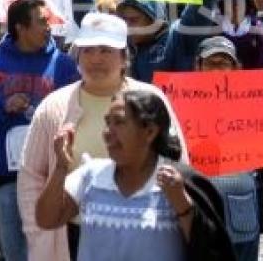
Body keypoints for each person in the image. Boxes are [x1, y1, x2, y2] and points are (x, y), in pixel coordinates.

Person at [18, 12, 185, 260]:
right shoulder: (53, 107)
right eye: (88, 50)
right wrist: (39, 237)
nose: (96, 58)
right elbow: (31, 176)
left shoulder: (152, 100)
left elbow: (179, 163)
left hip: (145, 234)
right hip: (72, 235)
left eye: (106, 50)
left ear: (124, 57)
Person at [34, 90, 234, 260]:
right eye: (107, 122)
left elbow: (211, 249)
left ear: (149, 132)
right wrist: (60, 166)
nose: (107, 132)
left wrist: (182, 203)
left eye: (118, 123)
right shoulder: (91, 175)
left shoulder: (176, 183)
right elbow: (47, 219)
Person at [0, 0, 80, 261]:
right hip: (7, 179)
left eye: (48, 21)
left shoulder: (65, 66)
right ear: (20, 28)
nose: (49, 27)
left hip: (55, 178)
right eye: (41, 22)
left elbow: (81, 109)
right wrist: (2, 104)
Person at [194, 37, 263, 261]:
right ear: (197, 66)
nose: (216, 68)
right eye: (210, 62)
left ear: (236, 67)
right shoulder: (178, 101)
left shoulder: (256, 102)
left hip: (240, 205)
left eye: (223, 62)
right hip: (196, 202)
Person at [115, 0, 170, 83]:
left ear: (153, 20)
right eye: (124, 20)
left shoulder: (173, 45)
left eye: (134, 20)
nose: (127, 27)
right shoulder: (123, 46)